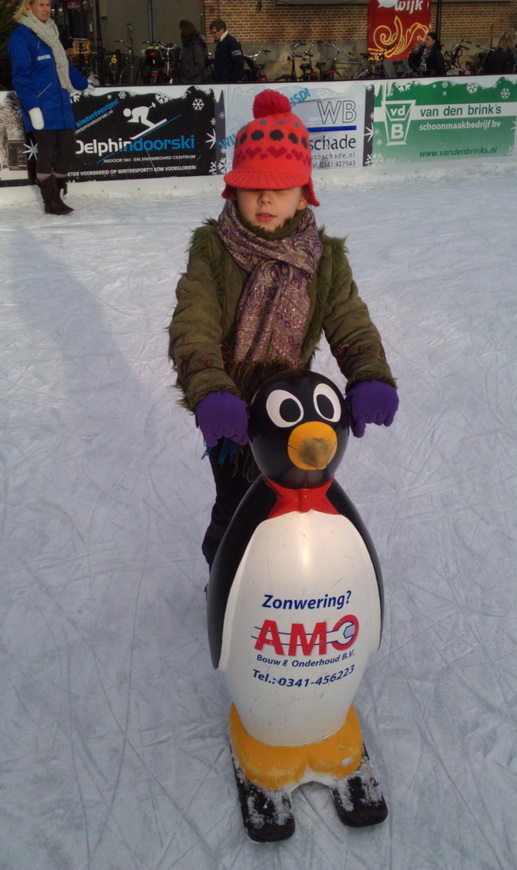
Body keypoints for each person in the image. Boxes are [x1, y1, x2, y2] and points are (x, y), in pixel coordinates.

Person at [168, 90, 399, 570]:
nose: (266, 198)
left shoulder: (323, 259)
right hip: (231, 416)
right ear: (234, 191)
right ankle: (228, 580)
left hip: (296, 413)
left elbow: (348, 320)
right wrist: (211, 390)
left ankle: (290, 576)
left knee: (297, 506)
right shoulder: (213, 252)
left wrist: (370, 374)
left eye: (280, 186)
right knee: (236, 508)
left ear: (303, 194)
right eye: (253, 187)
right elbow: (194, 325)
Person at [8, 0, 90, 215]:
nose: (46, 9)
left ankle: (58, 191)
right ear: (29, 7)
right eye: (41, 4)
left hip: (61, 102)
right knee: (47, 151)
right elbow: (21, 76)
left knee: (68, 148)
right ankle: (50, 200)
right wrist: (32, 107)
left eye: (48, 5)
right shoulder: (21, 36)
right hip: (40, 104)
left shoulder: (51, 32)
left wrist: (83, 83)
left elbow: (65, 66)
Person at [209, 18, 244, 83]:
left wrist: (233, 80)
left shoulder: (232, 42)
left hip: (228, 81)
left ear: (222, 30)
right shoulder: (221, 42)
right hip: (222, 80)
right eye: (211, 33)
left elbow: (238, 62)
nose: (212, 35)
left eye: (214, 32)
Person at [177, 19, 208, 85]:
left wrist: (188, 75)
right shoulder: (188, 44)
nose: (180, 33)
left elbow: (200, 65)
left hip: (194, 81)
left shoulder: (196, 45)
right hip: (189, 80)